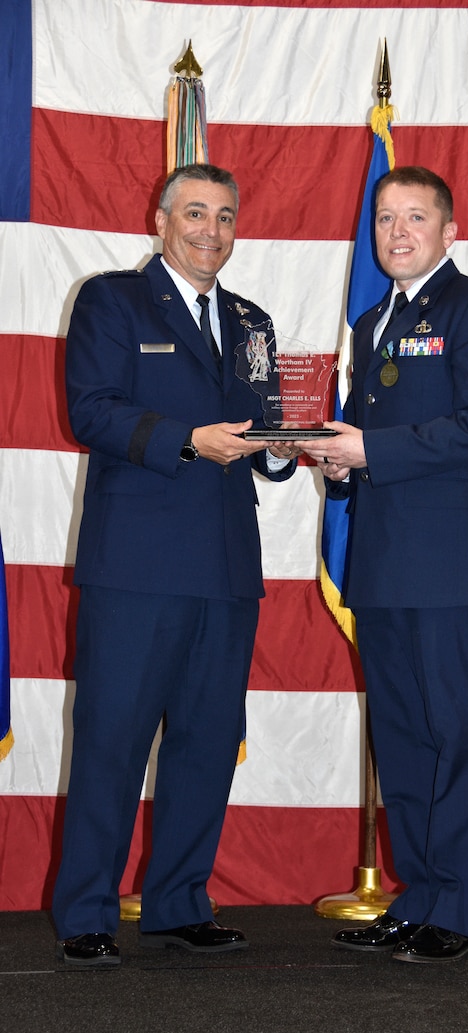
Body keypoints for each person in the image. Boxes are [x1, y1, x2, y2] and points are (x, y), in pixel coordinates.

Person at [53, 163, 299, 967]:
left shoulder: (252, 320)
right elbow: (91, 409)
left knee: (205, 741)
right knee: (112, 741)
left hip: (226, 568)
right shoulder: (111, 301)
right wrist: (188, 440)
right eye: (195, 213)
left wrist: (292, 451)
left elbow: (262, 431)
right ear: (161, 220)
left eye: (226, 216)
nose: (212, 231)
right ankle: (87, 911)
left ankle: (179, 901)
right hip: (136, 567)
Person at [295, 166, 468, 964]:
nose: (397, 233)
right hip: (383, 558)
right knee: (399, 734)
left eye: (415, 218)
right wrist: (340, 459)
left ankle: (457, 910)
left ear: (449, 231)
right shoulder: (373, 321)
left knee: (451, 730)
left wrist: (371, 448)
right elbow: (372, 428)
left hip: (444, 560)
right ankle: (419, 894)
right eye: (385, 219)